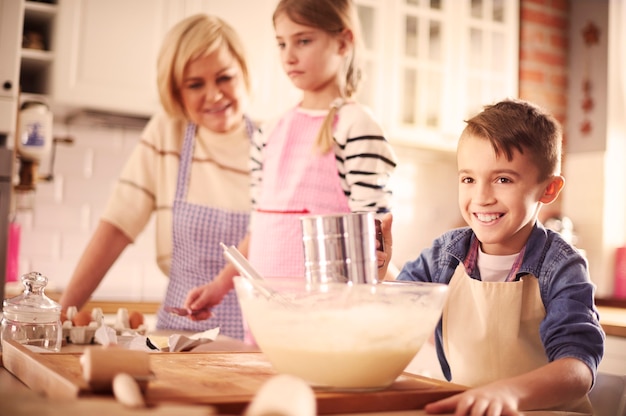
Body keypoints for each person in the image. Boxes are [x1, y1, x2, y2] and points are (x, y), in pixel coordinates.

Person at [378, 99, 605, 416]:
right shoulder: (445, 254)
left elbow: (579, 370)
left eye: (503, 180)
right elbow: (403, 306)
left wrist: (509, 392)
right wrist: (382, 270)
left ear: (548, 189)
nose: (481, 197)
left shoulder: (561, 266)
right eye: (468, 179)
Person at [184, 0, 397, 324]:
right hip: (265, 320)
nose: (289, 55)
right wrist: (218, 286)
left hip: (329, 321)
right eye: (282, 43)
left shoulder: (356, 126)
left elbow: (373, 237)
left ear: (342, 42)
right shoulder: (268, 132)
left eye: (303, 41)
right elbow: (260, 228)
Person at [58, 14, 258, 339]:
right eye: (195, 84)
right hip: (179, 336)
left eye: (224, 77)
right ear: (176, 92)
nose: (214, 95)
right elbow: (116, 228)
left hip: (256, 342)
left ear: (243, 73)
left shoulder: (270, 144)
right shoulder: (169, 133)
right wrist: (62, 315)